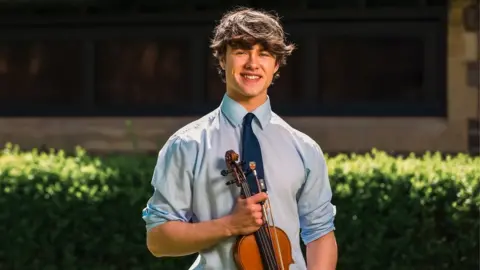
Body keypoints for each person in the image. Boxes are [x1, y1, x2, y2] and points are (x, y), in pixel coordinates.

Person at [142, 7, 337, 270]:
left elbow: (320, 233)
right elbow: (158, 240)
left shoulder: (304, 148)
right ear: (222, 59)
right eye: (241, 51)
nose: (252, 64)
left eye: (264, 54)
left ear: (276, 64)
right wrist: (230, 225)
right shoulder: (187, 145)